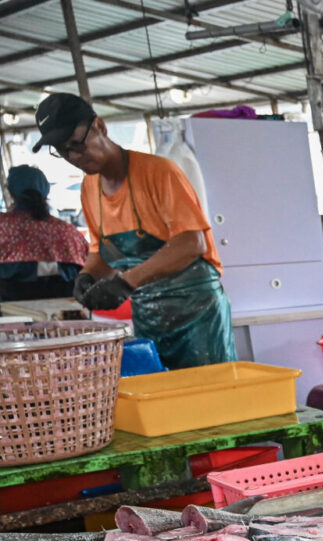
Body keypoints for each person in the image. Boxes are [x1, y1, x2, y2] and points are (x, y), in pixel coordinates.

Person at [32, 93, 235, 368]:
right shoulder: (89, 189)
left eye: (76, 144)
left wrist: (126, 282)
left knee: (211, 398)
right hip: (148, 316)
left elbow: (191, 243)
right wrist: (88, 274)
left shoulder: (158, 172)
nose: (73, 157)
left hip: (197, 315)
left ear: (100, 126)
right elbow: (102, 250)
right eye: (63, 150)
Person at [0, 165, 87, 301]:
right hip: (64, 307)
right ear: (46, 192)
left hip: (10, 308)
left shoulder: (3, 227)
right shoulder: (67, 231)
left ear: (11, 191)